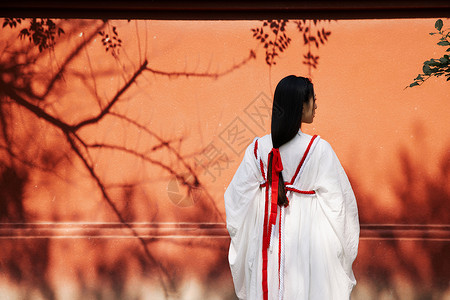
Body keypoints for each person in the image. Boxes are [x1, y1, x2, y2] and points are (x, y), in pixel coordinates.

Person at [224, 75, 360, 300]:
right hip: (307, 242)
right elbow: (341, 206)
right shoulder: (319, 150)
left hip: (265, 242)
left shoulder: (258, 149)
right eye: (312, 99)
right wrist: (340, 248)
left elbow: (236, 200)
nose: (316, 105)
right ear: (299, 104)